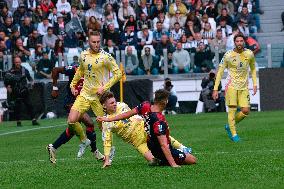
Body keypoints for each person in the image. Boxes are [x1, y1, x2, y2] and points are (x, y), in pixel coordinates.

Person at [97, 89, 197, 167]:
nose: (115, 104)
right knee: (154, 161)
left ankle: (182, 148)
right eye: (111, 103)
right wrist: (107, 160)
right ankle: (170, 158)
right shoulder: (106, 122)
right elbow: (107, 142)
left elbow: (128, 114)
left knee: (160, 133)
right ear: (104, 106)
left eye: (115, 101)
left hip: (143, 130)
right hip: (137, 142)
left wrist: (141, 119)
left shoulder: (122, 105)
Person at [66, 31, 122, 158]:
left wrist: (105, 87)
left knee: (103, 126)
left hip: (100, 98)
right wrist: (72, 85)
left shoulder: (106, 57)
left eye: (98, 42)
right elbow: (80, 70)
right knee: (71, 120)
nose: (96, 44)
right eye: (94, 42)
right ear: (88, 42)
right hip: (85, 94)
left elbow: (118, 74)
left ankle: (110, 149)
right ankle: (85, 141)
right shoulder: (83, 55)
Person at [46, 56, 104, 164]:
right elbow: (55, 70)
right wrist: (54, 88)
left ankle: (53, 147)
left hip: (81, 103)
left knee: (74, 130)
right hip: (71, 103)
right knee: (89, 123)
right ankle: (90, 146)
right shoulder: (75, 69)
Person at [212, 33, 257, 142]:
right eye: (237, 41)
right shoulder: (228, 55)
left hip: (243, 87)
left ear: (244, 42)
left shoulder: (249, 54)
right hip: (231, 86)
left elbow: (253, 69)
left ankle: (229, 126)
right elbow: (220, 72)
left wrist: (255, 84)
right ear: (234, 42)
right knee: (232, 110)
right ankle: (234, 135)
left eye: (241, 41)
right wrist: (215, 88)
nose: (239, 43)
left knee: (245, 111)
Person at [4, 56, 39, 127]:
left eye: (19, 62)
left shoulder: (24, 70)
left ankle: (34, 120)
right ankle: (18, 122)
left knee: (30, 105)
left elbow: (30, 78)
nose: (18, 63)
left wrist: (32, 83)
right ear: (14, 62)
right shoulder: (10, 71)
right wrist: (8, 87)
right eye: (16, 62)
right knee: (17, 107)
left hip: (24, 90)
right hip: (15, 91)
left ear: (20, 62)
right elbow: (6, 81)